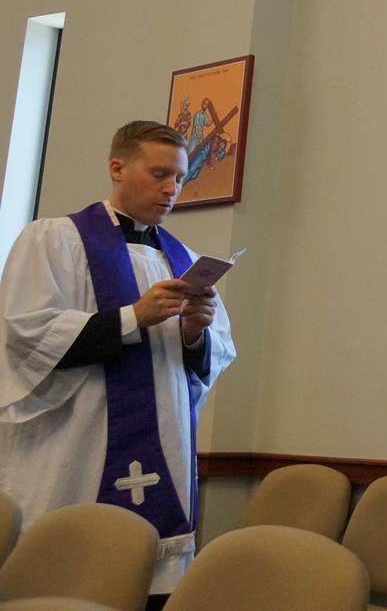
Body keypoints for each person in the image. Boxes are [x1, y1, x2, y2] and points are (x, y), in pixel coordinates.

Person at [0, 121, 236, 610]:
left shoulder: (183, 259)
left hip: (165, 448)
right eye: (158, 174)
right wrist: (133, 317)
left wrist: (195, 331)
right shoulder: (54, 240)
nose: (172, 188)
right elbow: (25, 332)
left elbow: (206, 361)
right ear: (117, 168)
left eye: (179, 177)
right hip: (76, 446)